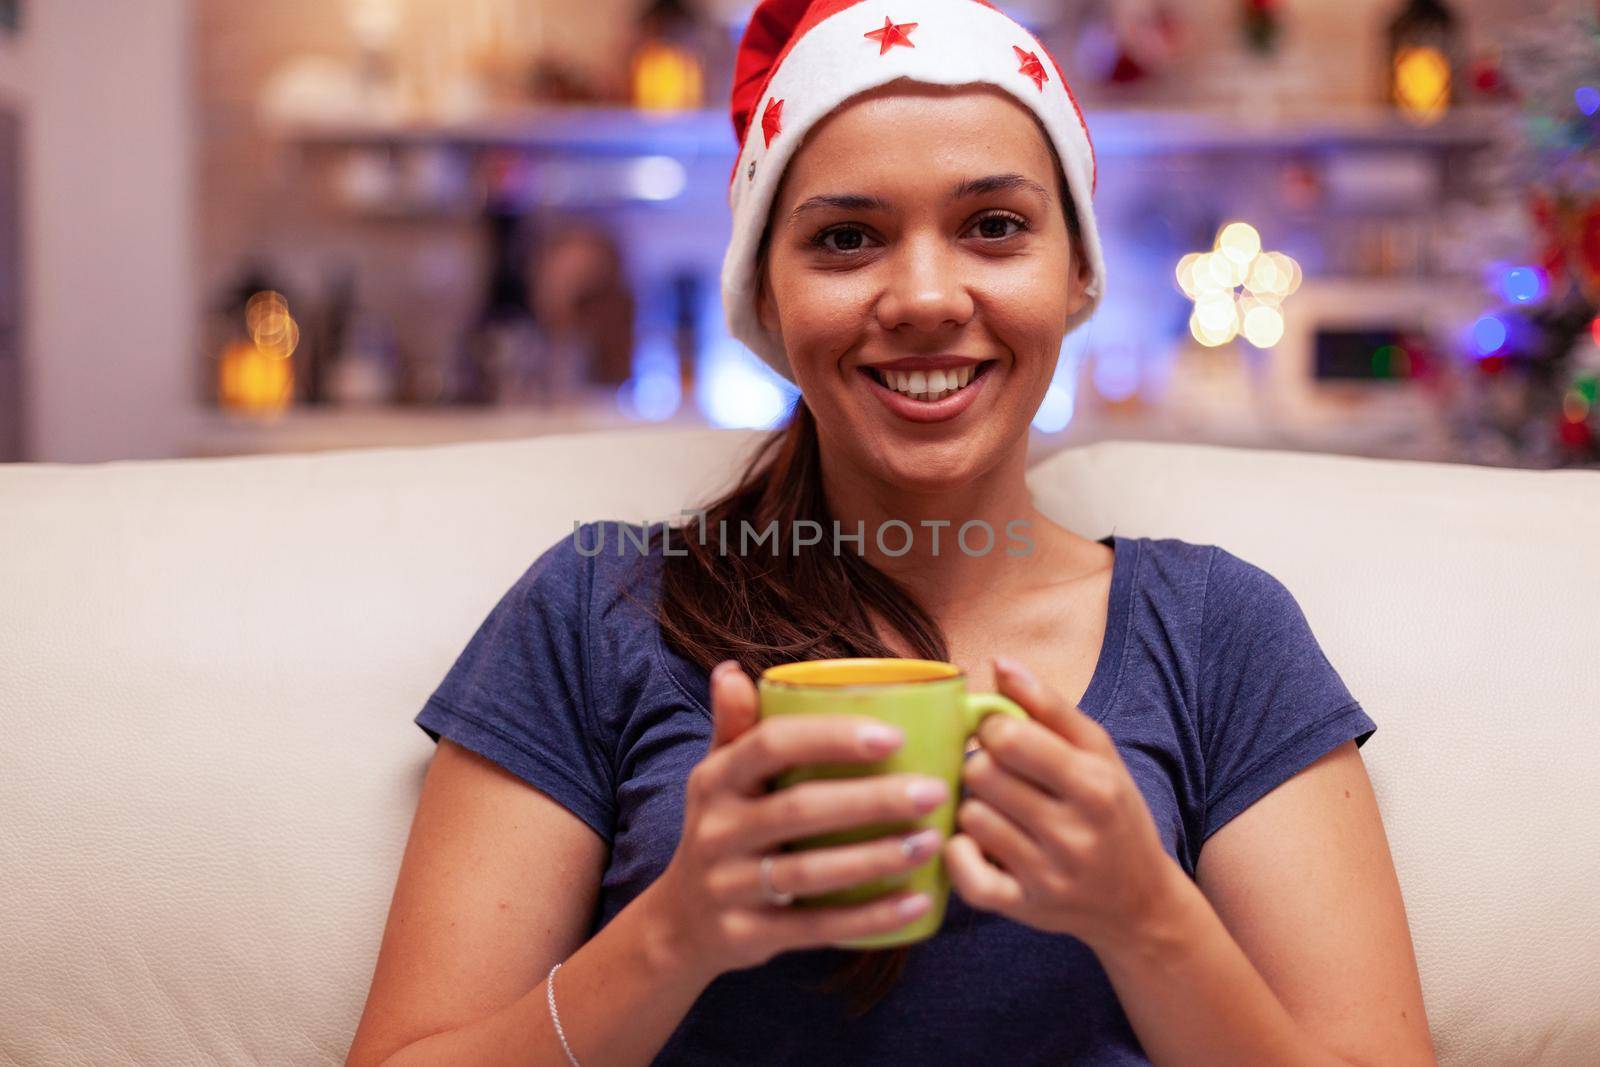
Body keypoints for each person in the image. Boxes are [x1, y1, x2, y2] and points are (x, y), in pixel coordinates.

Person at [346, 0, 1436, 1064]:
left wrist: (1149, 916)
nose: (923, 295)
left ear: (1077, 275)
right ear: (764, 298)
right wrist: (672, 931)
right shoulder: (598, 609)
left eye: (994, 227)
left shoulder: (1216, 631)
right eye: (847, 237)